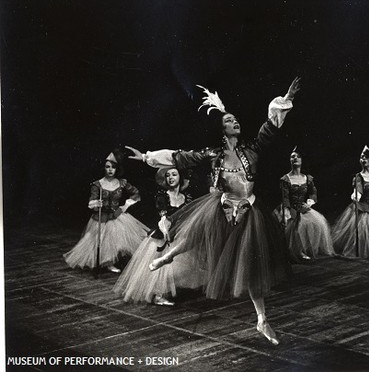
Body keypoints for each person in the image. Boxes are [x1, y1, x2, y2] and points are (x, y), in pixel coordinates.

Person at [125, 77, 300, 345]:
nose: (235, 122)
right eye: (229, 120)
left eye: (236, 119)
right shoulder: (212, 154)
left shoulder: (251, 149)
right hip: (222, 205)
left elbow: (270, 126)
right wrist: (148, 157)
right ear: (220, 128)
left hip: (248, 211)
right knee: (197, 229)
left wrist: (285, 99)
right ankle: (167, 257)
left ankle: (262, 320)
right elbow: (179, 157)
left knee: (251, 268)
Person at [113, 167, 198, 305]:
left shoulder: (186, 197)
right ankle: (158, 294)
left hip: (179, 234)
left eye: (174, 175)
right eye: (168, 175)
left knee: (177, 266)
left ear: (180, 178)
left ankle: (164, 292)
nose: (171, 178)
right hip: (162, 235)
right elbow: (163, 215)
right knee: (161, 265)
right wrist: (165, 228)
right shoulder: (162, 195)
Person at [64, 150, 149, 273]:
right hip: (101, 217)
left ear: (117, 169)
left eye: (113, 167)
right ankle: (103, 263)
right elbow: (91, 201)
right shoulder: (98, 184)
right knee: (99, 240)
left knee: (116, 240)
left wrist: (126, 205)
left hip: (116, 215)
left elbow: (135, 193)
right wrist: (96, 204)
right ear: (104, 168)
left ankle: (110, 263)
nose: (110, 170)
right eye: (107, 167)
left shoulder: (121, 183)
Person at [274, 148, 334, 260]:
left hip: (302, 206)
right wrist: (286, 212)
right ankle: (296, 252)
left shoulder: (307, 178)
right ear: (290, 160)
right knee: (294, 225)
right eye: (292, 156)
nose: (295, 158)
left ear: (302, 160)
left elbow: (313, 193)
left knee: (317, 222)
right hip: (289, 207)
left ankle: (304, 250)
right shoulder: (285, 179)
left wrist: (309, 203)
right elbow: (285, 198)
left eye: (298, 156)